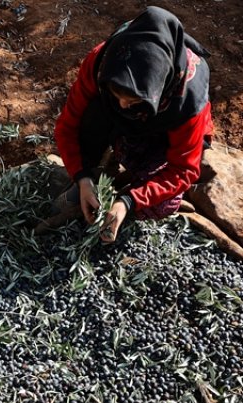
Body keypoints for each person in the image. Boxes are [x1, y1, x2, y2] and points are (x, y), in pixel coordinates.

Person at [53, 6, 212, 242]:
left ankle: (125, 190)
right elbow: (67, 126)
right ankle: (94, 176)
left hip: (162, 131)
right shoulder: (103, 62)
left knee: (165, 201)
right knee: (93, 113)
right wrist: (82, 177)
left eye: (133, 100)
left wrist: (128, 201)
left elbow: (183, 170)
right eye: (116, 95)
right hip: (129, 123)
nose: (124, 105)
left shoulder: (186, 99)